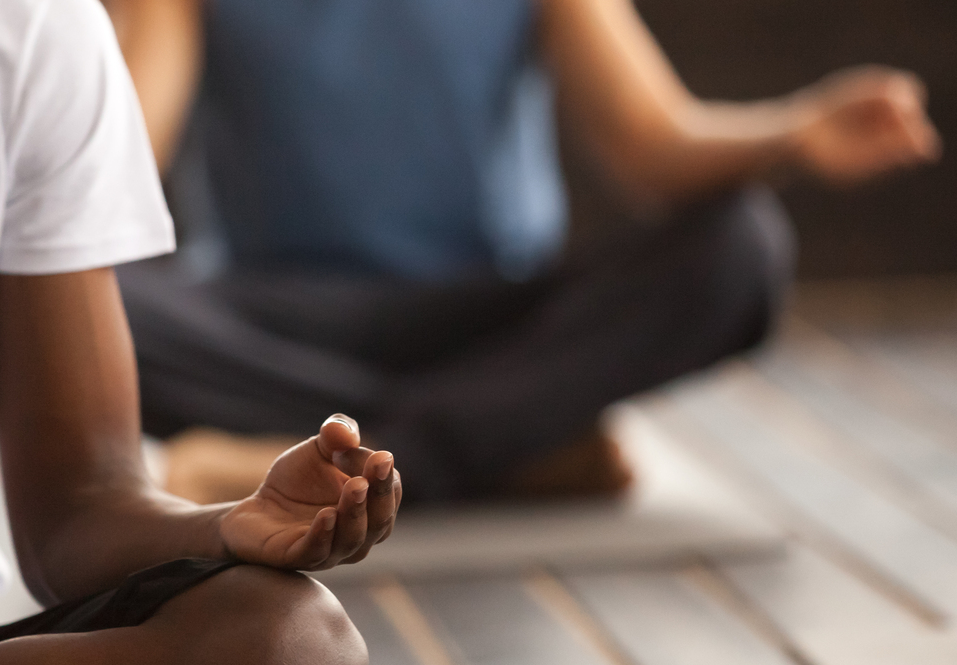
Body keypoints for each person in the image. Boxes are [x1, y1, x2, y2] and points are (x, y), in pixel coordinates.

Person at [0, 0, 399, 665]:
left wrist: (225, 526)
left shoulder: (19, 19)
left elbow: (78, 507)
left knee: (292, 644)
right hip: (252, 297)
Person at [105, 0, 942, 504]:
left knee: (742, 248)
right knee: (79, 297)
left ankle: (338, 459)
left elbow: (652, 144)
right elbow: (121, 164)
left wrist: (797, 130)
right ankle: (502, 448)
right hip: (278, 320)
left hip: (491, 317)